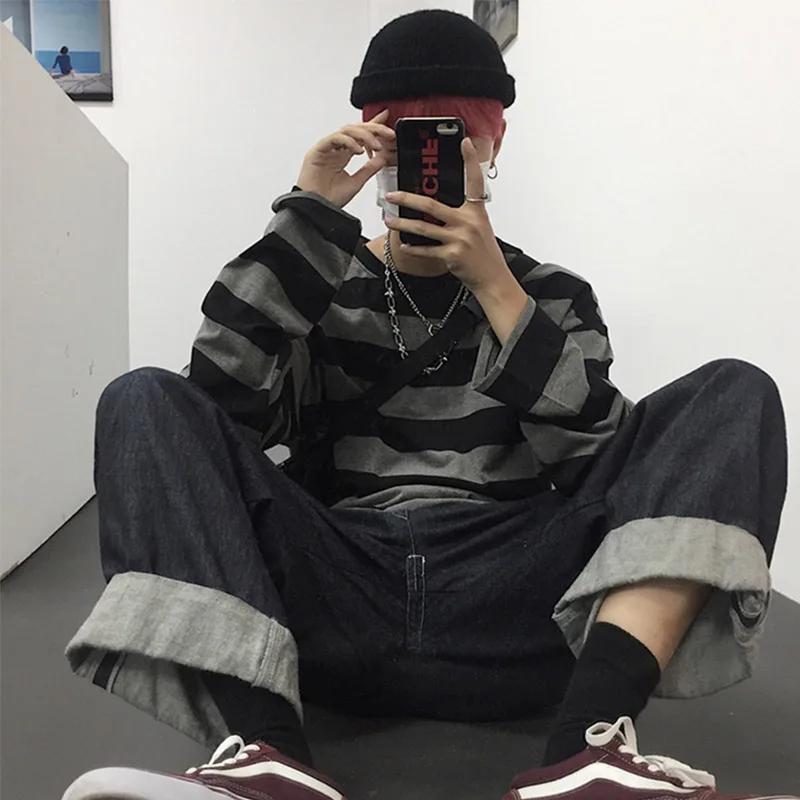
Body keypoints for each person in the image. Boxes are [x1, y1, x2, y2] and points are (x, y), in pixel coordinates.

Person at [62, 10, 792, 800]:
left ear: (492, 144)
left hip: (519, 600)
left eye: (453, 137)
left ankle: (592, 751)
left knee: (736, 391)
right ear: (376, 146)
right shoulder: (321, 280)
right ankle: (264, 756)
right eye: (407, 138)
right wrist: (306, 216)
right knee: (140, 398)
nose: (428, 165)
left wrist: (498, 291)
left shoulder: (549, 295)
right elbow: (213, 414)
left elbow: (600, 466)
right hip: (340, 592)